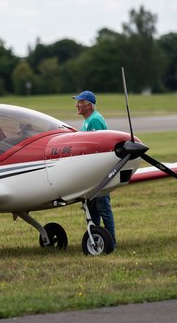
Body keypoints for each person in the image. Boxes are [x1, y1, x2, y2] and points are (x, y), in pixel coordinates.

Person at [72, 90, 116, 248]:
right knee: (93, 210)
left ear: (88, 105)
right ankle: (97, 239)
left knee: (103, 208)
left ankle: (110, 242)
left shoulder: (95, 120)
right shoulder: (88, 120)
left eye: (80, 102)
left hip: (98, 176)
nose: (76, 105)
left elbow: (96, 150)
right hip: (91, 176)